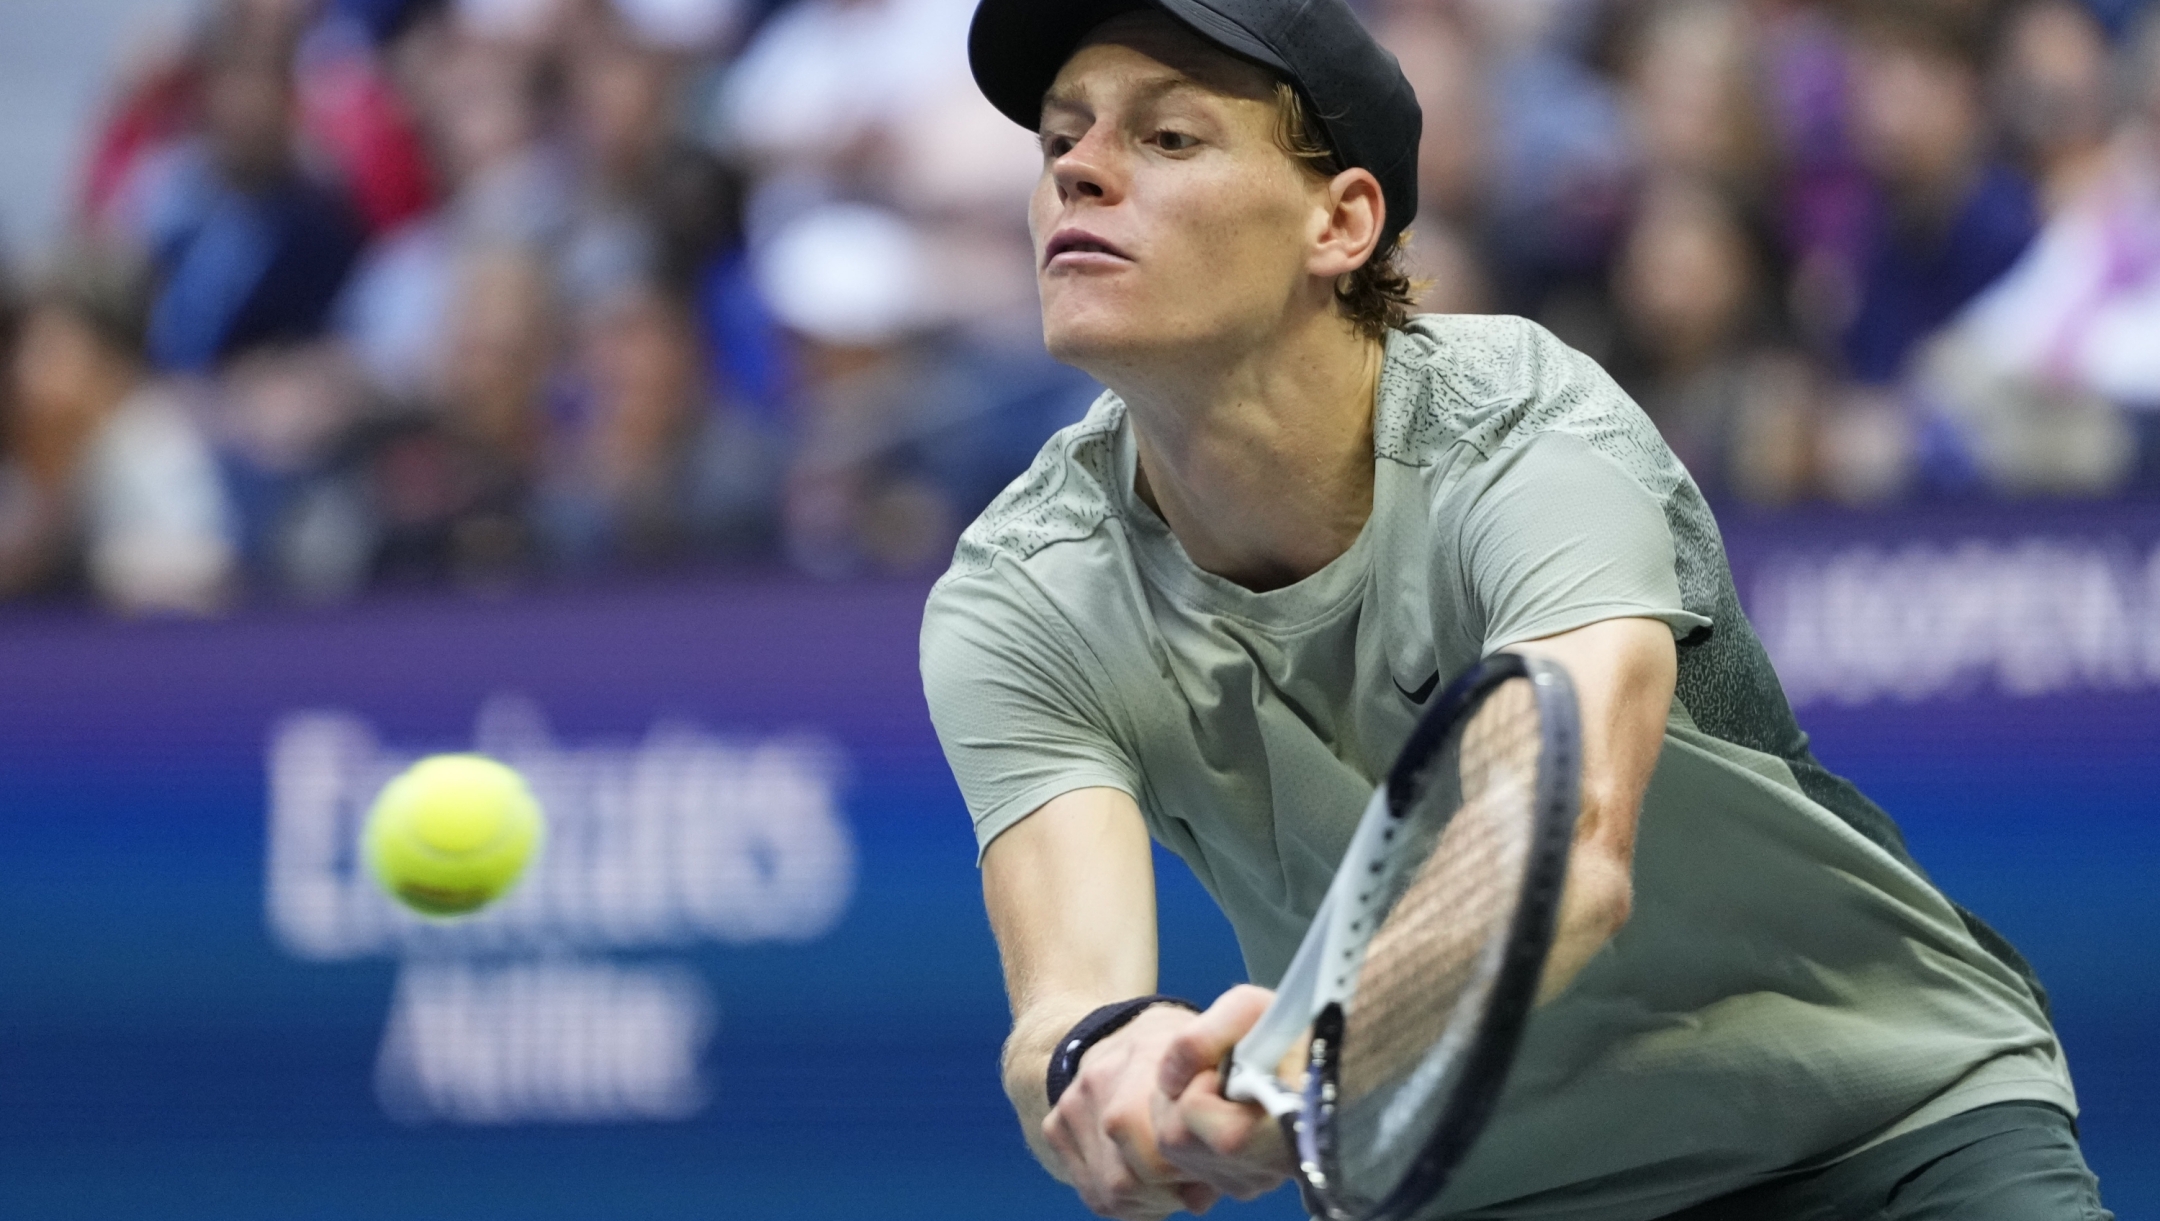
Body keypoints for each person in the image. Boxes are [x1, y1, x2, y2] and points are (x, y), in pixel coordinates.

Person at [917, 2, 2111, 1219]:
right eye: (1061, 139)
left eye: (1168, 137)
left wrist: (1286, 1075)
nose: (1078, 167)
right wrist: (1103, 1065)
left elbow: (1562, 852)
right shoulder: (1021, 592)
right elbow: (1062, 1001)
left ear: (1341, 222)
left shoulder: (1528, 430)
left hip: (1876, 1126)